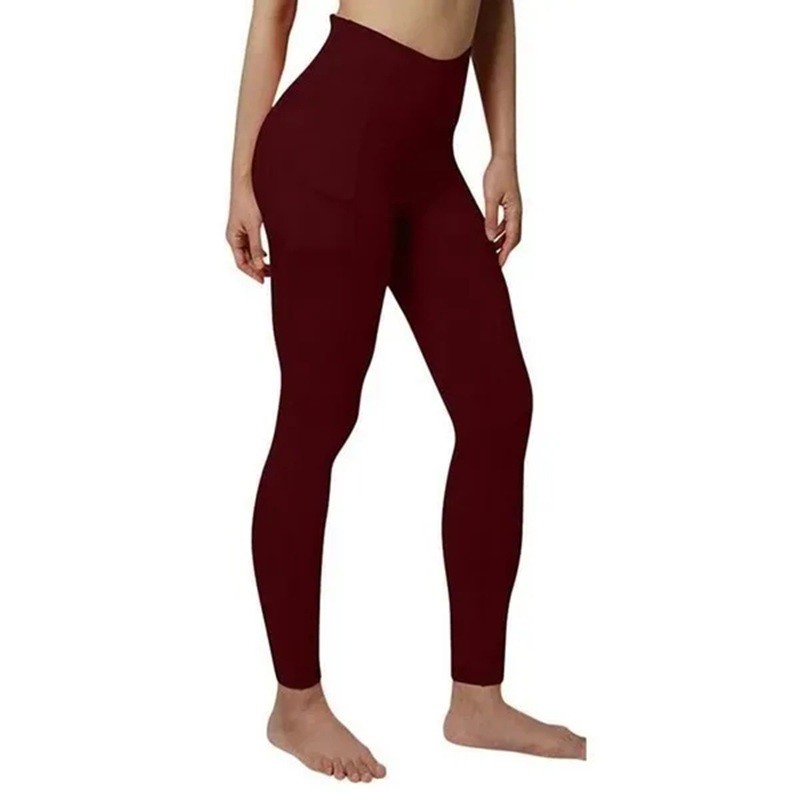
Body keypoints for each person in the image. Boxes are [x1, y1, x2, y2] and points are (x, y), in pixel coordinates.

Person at [226, 0, 586, 781]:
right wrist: (240, 179)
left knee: (498, 409)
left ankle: (477, 699)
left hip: (426, 166)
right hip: (329, 153)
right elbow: (271, 16)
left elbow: (492, 9)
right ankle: (295, 704)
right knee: (318, 421)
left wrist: (504, 151)